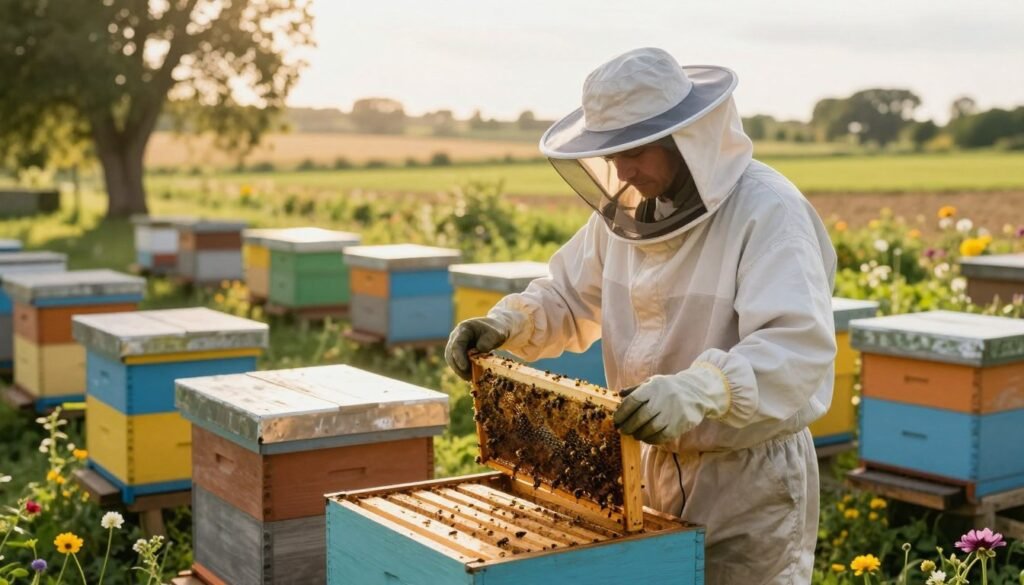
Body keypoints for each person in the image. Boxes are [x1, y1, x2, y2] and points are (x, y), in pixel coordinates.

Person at [445, 47, 836, 585]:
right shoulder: (628, 217)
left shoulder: (767, 211)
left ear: (686, 139)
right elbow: (567, 294)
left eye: (636, 149)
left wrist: (700, 390)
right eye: (612, 152)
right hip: (645, 464)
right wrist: (508, 323)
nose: (622, 170)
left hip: (744, 477)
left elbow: (798, 347)